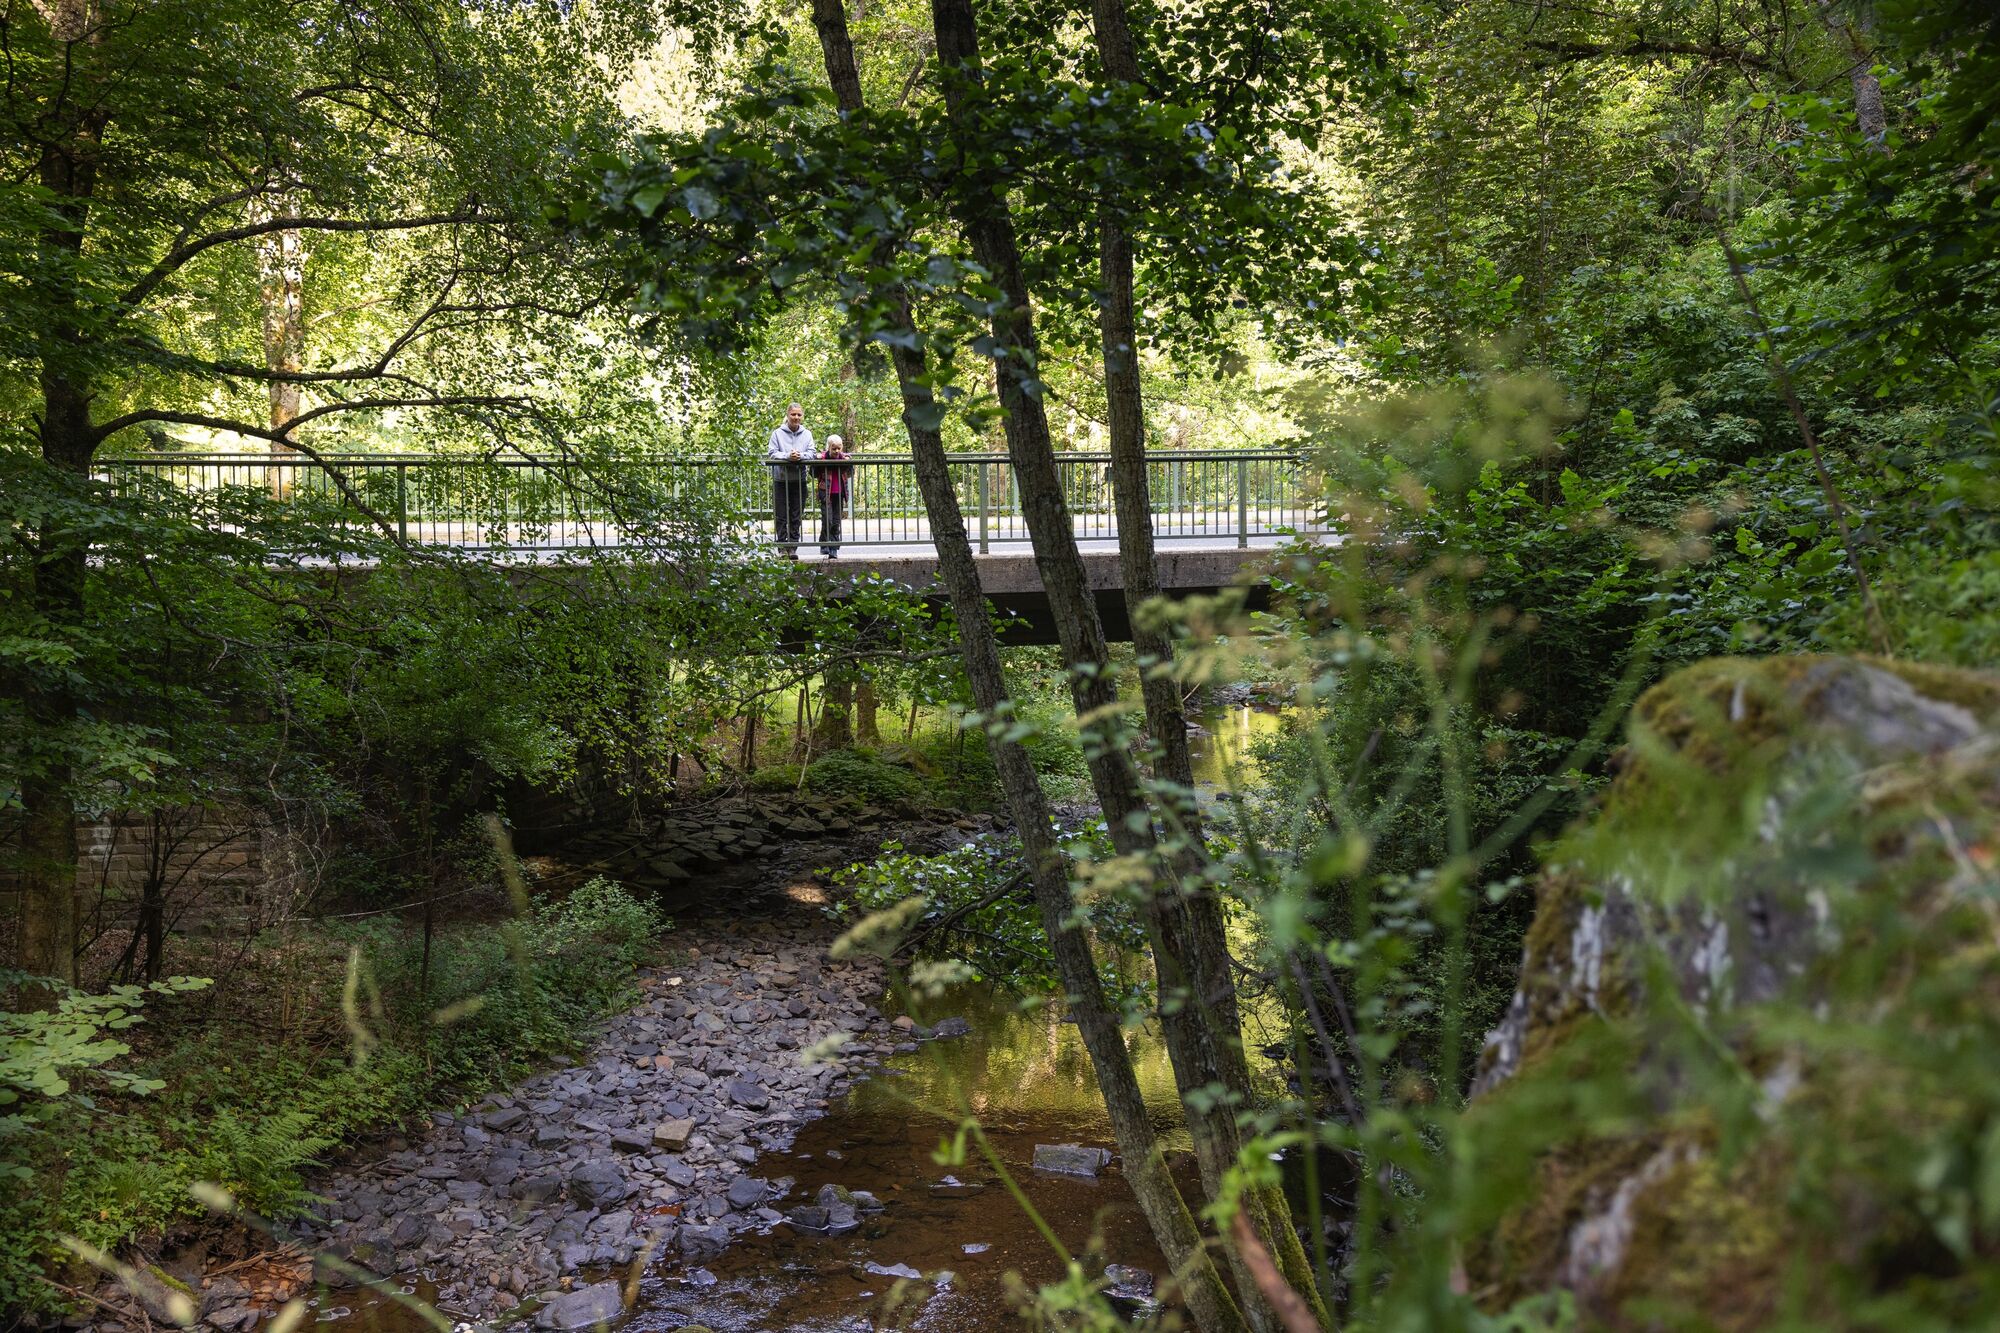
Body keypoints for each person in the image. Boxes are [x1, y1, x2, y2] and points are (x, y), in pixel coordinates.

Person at [766, 403, 813, 557]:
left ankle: (792, 547)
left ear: (802, 416)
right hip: (781, 480)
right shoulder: (777, 434)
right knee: (781, 515)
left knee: (796, 515)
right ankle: (782, 547)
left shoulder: (807, 434)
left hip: (799, 480)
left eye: (799, 414)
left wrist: (800, 456)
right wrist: (787, 456)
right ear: (787, 415)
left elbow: (811, 453)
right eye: (793, 414)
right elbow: (772, 453)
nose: (796, 417)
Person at [816, 433, 854, 559]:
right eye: (834, 449)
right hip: (826, 493)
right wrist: (817, 461)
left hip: (839, 493)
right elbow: (814, 473)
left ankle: (834, 548)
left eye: (839, 448)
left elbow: (850, 473)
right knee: (827, 519)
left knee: (836, 521)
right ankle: (824, 543)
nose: (837, 451)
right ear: (828, 447)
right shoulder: (822, 458)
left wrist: (848, 462)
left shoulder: (844, 458)